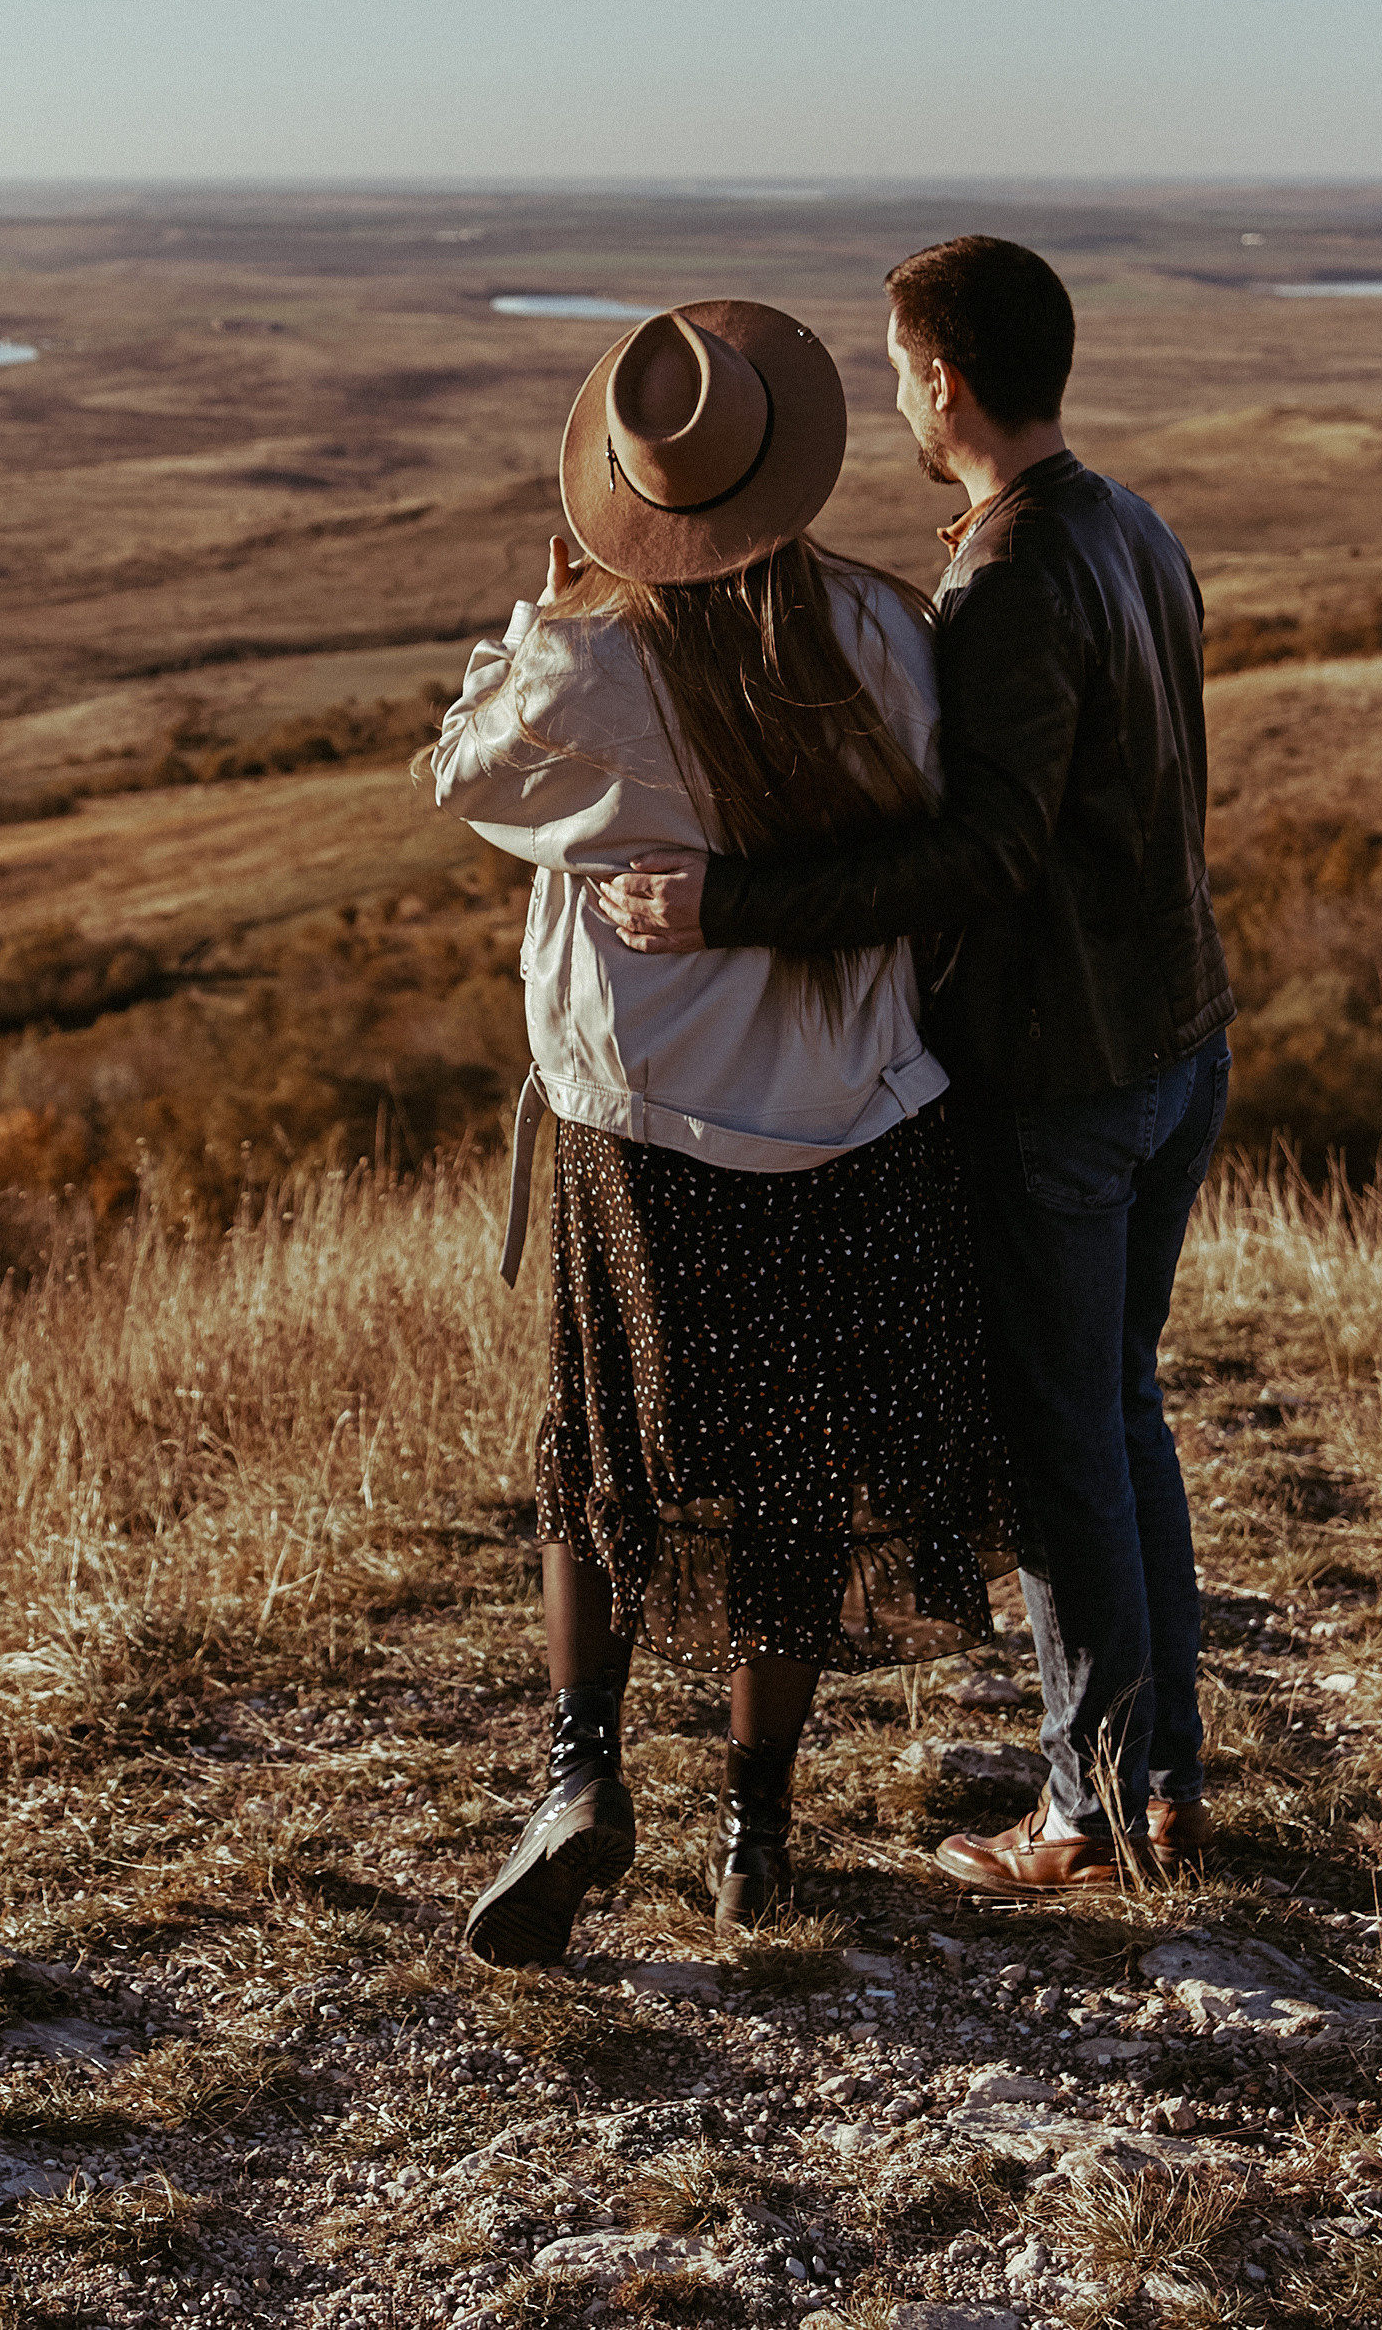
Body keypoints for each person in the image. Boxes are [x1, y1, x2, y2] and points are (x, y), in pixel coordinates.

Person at [600, 236, 1233, 1896]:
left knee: (1064, 1446)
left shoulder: (1013, 574)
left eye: (892, 366)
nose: (888, 392)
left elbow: (985, 854)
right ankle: (1156, 1778)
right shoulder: (1131, 525)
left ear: (940, 377)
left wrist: (726, 901)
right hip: (1176, 1043)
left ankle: (1088, 1812)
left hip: (1067, 1074)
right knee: (1119, 1414)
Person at [431, 298, 1011, 1965]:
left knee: (606, 1461)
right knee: (791, 1486)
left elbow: (456, 774)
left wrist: (537, 624)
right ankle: (755, 1833)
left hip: (650, 1123)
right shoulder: (885, 634)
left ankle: (578, 1776)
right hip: (853, 1117)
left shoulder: (591, 670)